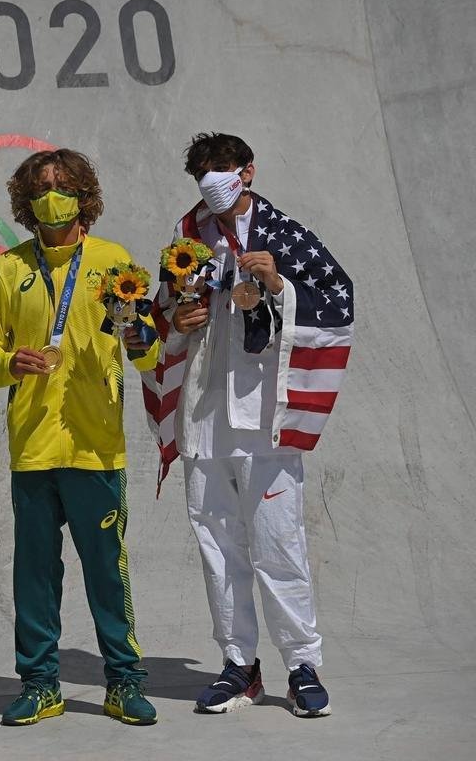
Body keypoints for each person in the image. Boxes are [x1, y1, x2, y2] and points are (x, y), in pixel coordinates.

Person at [142, 133, 354, 717]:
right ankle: (240, 665)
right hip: (206, 416)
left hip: (264, 418)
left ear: (247, 172)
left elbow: (338, 299)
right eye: (203, 173)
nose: (213, 182)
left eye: (222, 170)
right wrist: (181, 318)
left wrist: (281, 287)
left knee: (278, 544)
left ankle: (302, 664)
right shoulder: (188, 239)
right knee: (218, 546)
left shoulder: (283, 234)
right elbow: (163, 316)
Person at [0, 149, 160, 727]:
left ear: (83, 195)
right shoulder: (8, 267)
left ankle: (123, 682)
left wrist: (136, 339)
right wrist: (10, 361)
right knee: (34, 572)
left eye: (62, 186)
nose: (52, 197)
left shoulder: (113, 261)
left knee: (107, 570)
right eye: (41, 188)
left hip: (95, 443)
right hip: (31, 445)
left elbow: (147, 350)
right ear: (26, 202)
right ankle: (39, 682)